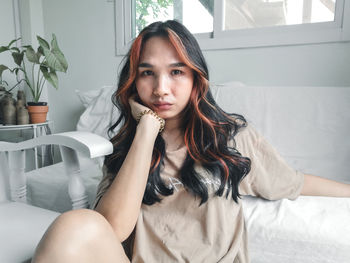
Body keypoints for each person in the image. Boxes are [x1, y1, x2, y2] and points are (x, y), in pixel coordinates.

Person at [32, 20, 350, 263]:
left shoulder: (232, 136)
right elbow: (112, 229)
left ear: (196, 76)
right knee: (73, 225)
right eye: (147, 73)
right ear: (133, 81)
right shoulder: (127, 146)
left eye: (176, 72)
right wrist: (146, 131)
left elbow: (293, 182)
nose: (161, 88)